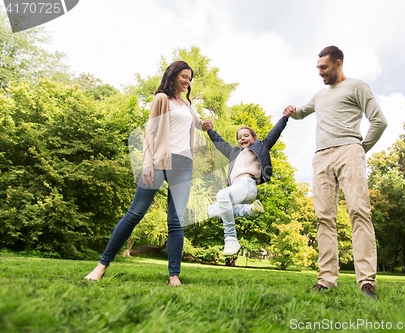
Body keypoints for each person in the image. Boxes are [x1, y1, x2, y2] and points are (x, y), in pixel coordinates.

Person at [85, 61, 207, 286]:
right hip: (160, 159)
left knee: (176, 221)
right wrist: (147, 164)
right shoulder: (162, 99)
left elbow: (198, 125)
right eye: (184, 76)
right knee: (135, 213)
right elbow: (149, 132)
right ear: (172, 76)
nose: (187, 81)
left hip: (184, 165)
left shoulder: (188, 105)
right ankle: (101, 266)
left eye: (190, 78)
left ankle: (174, 276)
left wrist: (205, 124)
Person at [283, 46, 387, 299]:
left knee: (359, 212)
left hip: (349, 151)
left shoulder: (357, 87)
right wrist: (292, 111)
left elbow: (379, 120)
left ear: (338, 64)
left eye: (324, 68)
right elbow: (302, 113)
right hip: (321, 157)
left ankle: (366, 282)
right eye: (318, 68)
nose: (320, 73)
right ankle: (327, 279)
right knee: (323, 218)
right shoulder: (319, 95)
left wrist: (361, 148)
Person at [203, 114, 289, 255]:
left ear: (254, 139)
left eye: (246, 135)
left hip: (248, 184)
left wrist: (285, 117)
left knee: (222, 194)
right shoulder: (234, 153)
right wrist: (210, 130)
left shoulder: (260, 146)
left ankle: (230, 238)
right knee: (212, 210)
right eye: (239, 137)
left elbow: (275, 133)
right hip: (236, 188)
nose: (242, 138)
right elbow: (220, 143)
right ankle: (248, 210)